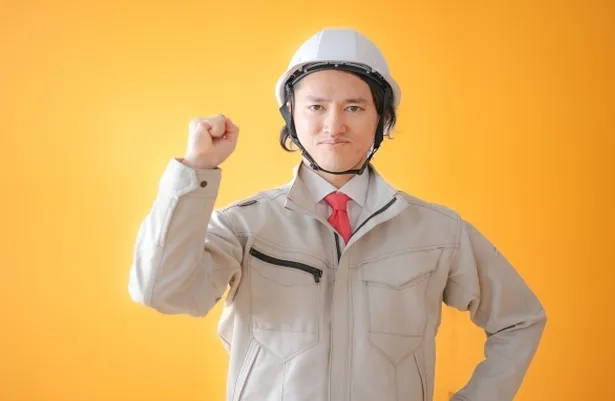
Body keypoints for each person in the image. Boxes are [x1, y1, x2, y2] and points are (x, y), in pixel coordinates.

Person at [128, 27, 547, 401]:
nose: (334, 125)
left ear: (382, 119)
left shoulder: (438, 232)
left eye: (354, 108)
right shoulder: (244, 226)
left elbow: (520, 319)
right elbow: (160, 291)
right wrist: (196, 170)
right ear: (291, 115)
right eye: (316, 106)